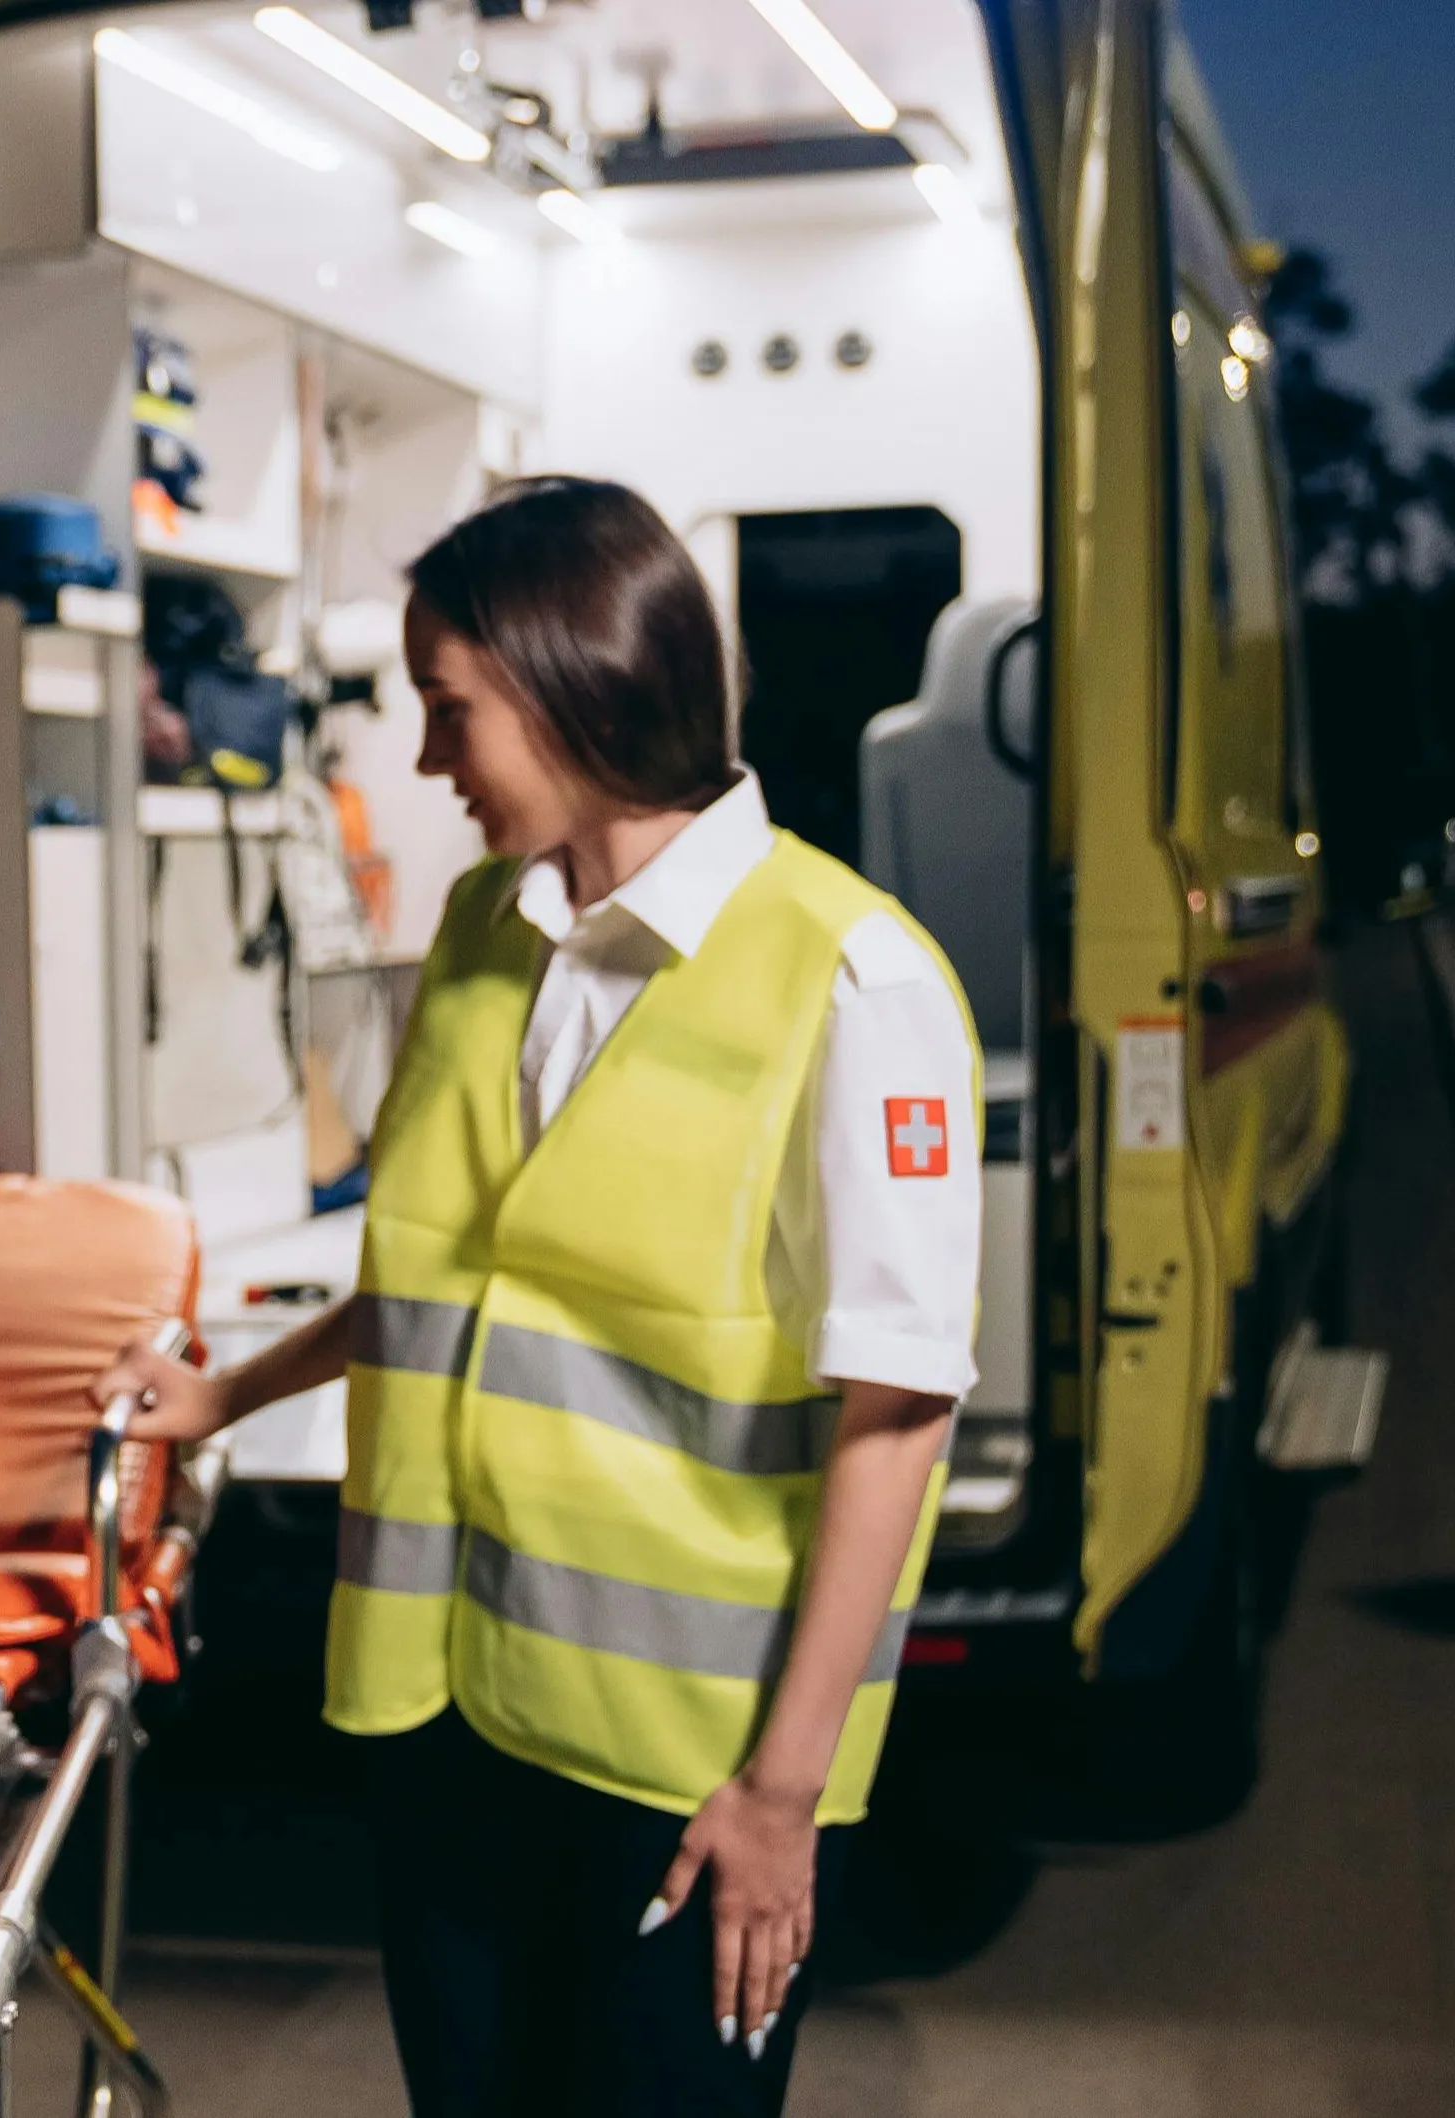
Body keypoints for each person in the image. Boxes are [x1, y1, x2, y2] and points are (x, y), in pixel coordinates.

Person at [100, 477, 978, 2115]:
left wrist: (781, 1792)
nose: (429, 763)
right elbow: (443, 1280)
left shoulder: (848, 977)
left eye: (451, 713)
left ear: (574, 686)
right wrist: (230, 1390)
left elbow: (896, 1410)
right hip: (447, 1722)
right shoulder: (479, 929)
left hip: (685, 1767)